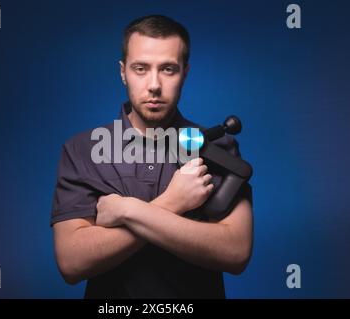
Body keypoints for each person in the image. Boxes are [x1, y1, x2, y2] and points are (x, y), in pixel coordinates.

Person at [50, 15, 253, 298]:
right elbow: (72, 262)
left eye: (168, 69)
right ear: (123, 72)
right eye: (140, 68)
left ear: (185, 72)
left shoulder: (219, 148)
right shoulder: (82, 150)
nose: (154, 85)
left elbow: (235, 251)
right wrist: (172, 203)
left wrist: (126, 210)